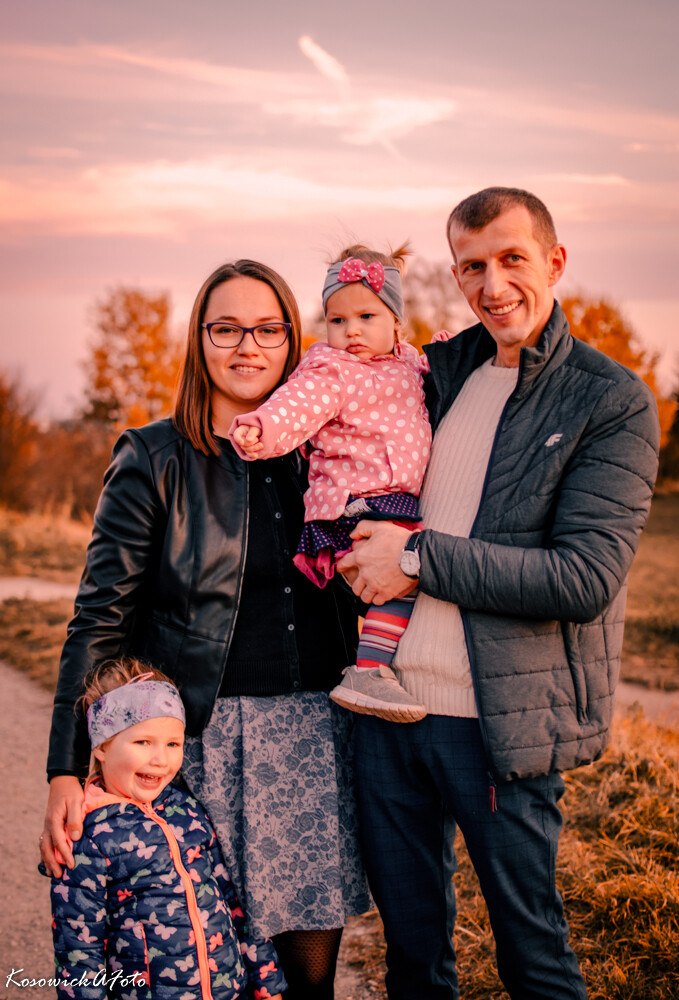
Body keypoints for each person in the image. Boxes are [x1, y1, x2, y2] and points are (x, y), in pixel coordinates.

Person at [336, 187, 661, 1000]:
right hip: (385, 713)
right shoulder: (437, 372)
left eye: (512, 259)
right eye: (472, 266)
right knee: (412, 959)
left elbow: (583, 578)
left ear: (553, 261)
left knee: (530, 958)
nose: (493, 284)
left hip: (498, 727)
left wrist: (417, 558)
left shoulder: (608, 400)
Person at [40, 259, 371, 1000]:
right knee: (193, 967)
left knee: (307, 976)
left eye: (268, 329)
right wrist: (66, 766)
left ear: (292, 341)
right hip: (194, 743)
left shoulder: (326, 456)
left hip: (314, 738)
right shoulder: (153, 457)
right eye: (227, 329)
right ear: (200, 340)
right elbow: (100, 618)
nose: (248, 346)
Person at [230, 243, 449, 723]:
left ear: (396, 322)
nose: (351, 331)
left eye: (366, 317)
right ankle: (368, 672)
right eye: (337, 320)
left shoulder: (407, 363)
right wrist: (263, 427)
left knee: (403, 581)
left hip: (392, 501)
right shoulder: (333, 370)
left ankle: (377, 664)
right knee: (405, 573)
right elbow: (297, 404)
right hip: (354, 501)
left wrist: (452, 355)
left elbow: (436, 387)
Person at [45, 656, 285, 1000]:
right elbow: (79, 951)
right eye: (143, 742)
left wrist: (266, 982)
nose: (160, 759)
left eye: (173, 744)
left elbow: (233, 904)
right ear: (102, 746)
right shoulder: (87, 835)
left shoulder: (187, 810)